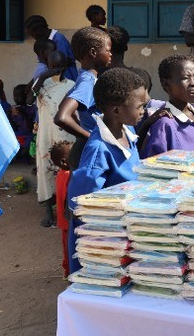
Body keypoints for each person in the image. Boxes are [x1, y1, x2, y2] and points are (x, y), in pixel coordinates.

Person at [67, 67, 147, 273]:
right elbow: (81, 205)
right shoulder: (98, 151)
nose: (144, 111)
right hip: (105, 236)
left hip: (127, 225)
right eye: (140, 106)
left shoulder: (127, 130)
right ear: (116, 110)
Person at [54, 27, 113, 169]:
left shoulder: (85, 77)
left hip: (84, 148)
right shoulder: (88, 82)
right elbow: (62, 117)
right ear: (93, 52)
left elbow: (63, 104)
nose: (111, 54)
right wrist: (90, 136)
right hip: (90, 151)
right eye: (108, 50)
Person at [31, 50, 76, 227]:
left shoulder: (71, 84)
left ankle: (65, 206)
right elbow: (29, 98)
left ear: (64, 67)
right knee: (45, 170)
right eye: (52, 67)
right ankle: (48, 210)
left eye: (58, 67)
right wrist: (42, 77)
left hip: (65, 134)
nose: (55, 70)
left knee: (66, 170)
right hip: (45, 134)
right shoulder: (41, 84)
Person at [140, 55, 194, 158]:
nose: (193, 83)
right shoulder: (165, 123)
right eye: (185, 78)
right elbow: (155, 167)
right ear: (166, 84)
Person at [25, 15, 78, 81]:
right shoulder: (42, 42)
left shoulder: (58, 39)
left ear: (39, 30)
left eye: (33, 35)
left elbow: (60, 63)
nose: (34, 38)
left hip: (66, 78)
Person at [50, 140, 72, 278]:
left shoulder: (61, 174)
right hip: (68, 221)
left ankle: (67, 271)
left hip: (63, 221)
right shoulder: (69, 175)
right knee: (70, 248)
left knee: (66, 248)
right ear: (64, 161)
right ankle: (69, 272)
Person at [11, 84, 36, 162]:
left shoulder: (32, 108)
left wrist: (24, 114)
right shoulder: (14, 109)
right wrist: (9, 115)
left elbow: (31, 127)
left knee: (27, 148)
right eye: (14, 96)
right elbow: (13, 127)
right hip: (18, 135)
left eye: (19, 96)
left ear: (26, 96)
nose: (16, 98)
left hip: (29, 135)